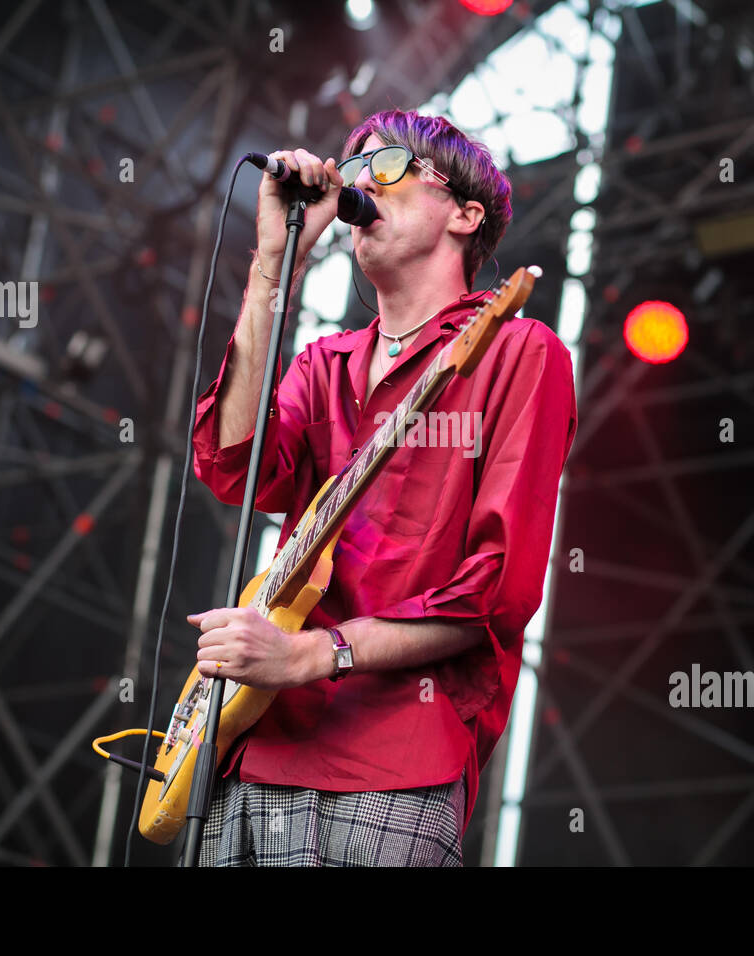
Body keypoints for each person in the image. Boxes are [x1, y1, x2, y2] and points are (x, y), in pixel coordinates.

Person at [187, 109, 576, 866]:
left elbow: (495, 591)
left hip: (393, 763)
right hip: (251, 747)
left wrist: (310, 656)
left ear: (465, 215)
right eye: (354, 166)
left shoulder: (518, 352)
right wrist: (276, 262)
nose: (362, 182)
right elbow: (231, 462)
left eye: (390, 165)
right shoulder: (323, 364)